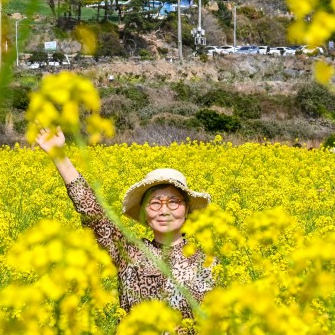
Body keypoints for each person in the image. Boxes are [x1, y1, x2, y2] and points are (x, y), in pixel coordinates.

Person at [35, 127, 214, 319]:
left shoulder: (207, 263)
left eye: (173, 202)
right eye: (154, 203)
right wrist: (59, 156)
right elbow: (94, 214)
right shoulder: (130, 254)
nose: (164, 210)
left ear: (186, 209)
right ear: (144, 212)